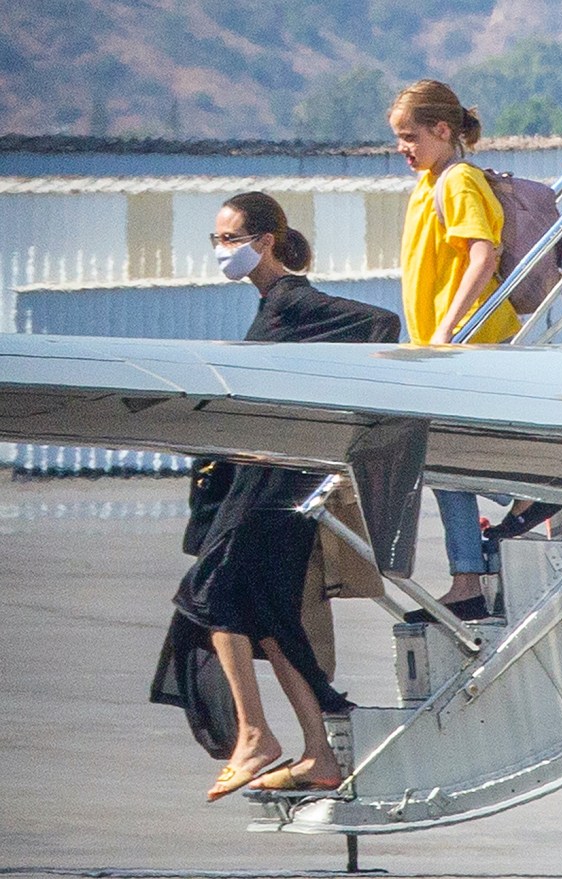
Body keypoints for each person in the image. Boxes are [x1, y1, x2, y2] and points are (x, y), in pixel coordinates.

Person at [169, 192, 401, 800]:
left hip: (277, 487)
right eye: (216, 241)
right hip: (269, 484)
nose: (220, 251)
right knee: (271, 620)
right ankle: (319, 755)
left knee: (210, 593)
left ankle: (255, 737)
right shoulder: (272, 305)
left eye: (228, 239)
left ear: (264, 241)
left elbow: (381, 325)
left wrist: (337, 419)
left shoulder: (294, 300)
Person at [388, 79, 523, 624]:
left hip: (469, 344)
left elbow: (482, 254)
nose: (402, 148)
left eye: (409, 136)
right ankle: (466, 579)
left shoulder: (459, 179)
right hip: (441, 347)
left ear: (442, 131)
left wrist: (447, 328)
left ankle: (522, 502)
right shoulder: (430, 179)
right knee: (444, 464)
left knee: (449, 457)